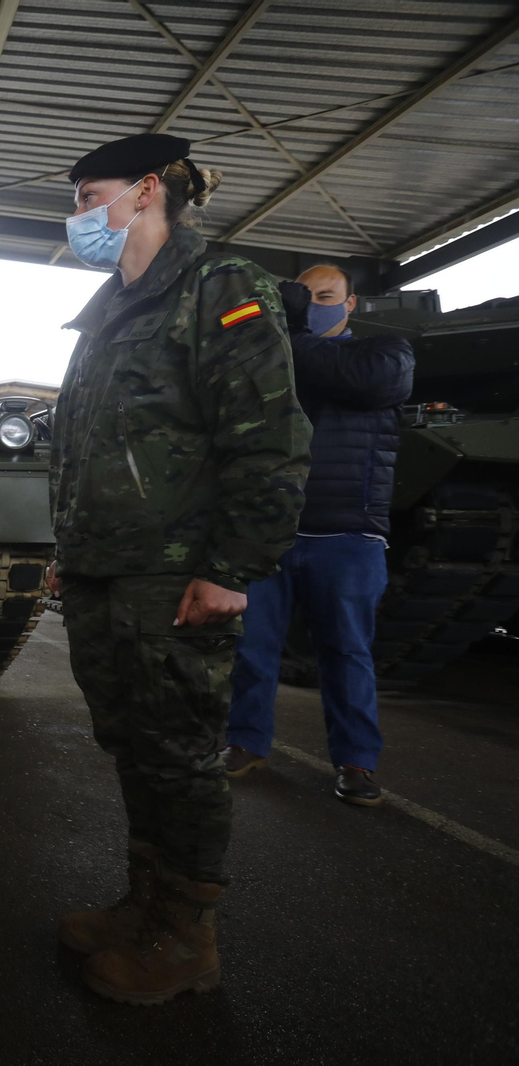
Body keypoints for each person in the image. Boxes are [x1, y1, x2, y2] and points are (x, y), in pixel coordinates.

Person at [46, 134, 312, 1004]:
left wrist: (234, 566)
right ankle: (145, 905)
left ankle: (187, 940)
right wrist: (70, 551)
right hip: (106, 571)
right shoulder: (108, 310)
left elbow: (268, 440)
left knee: (180, 754)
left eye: (92, 196)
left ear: (148, 190)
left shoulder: (220, 287)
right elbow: (84, 448)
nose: (80, 213)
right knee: (133, 744)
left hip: (176, 574)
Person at [223, 265, 415, 805]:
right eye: (304, 299)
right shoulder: (272, 362)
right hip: (270, 533)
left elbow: (363, 382)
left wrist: (291, 329)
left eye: (326, 297)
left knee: (346, 652)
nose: (315, 306)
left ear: (351, 304)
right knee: (252, 649)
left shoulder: (385, 355)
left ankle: (356, 762)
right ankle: (245, 742)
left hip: (348, 535)